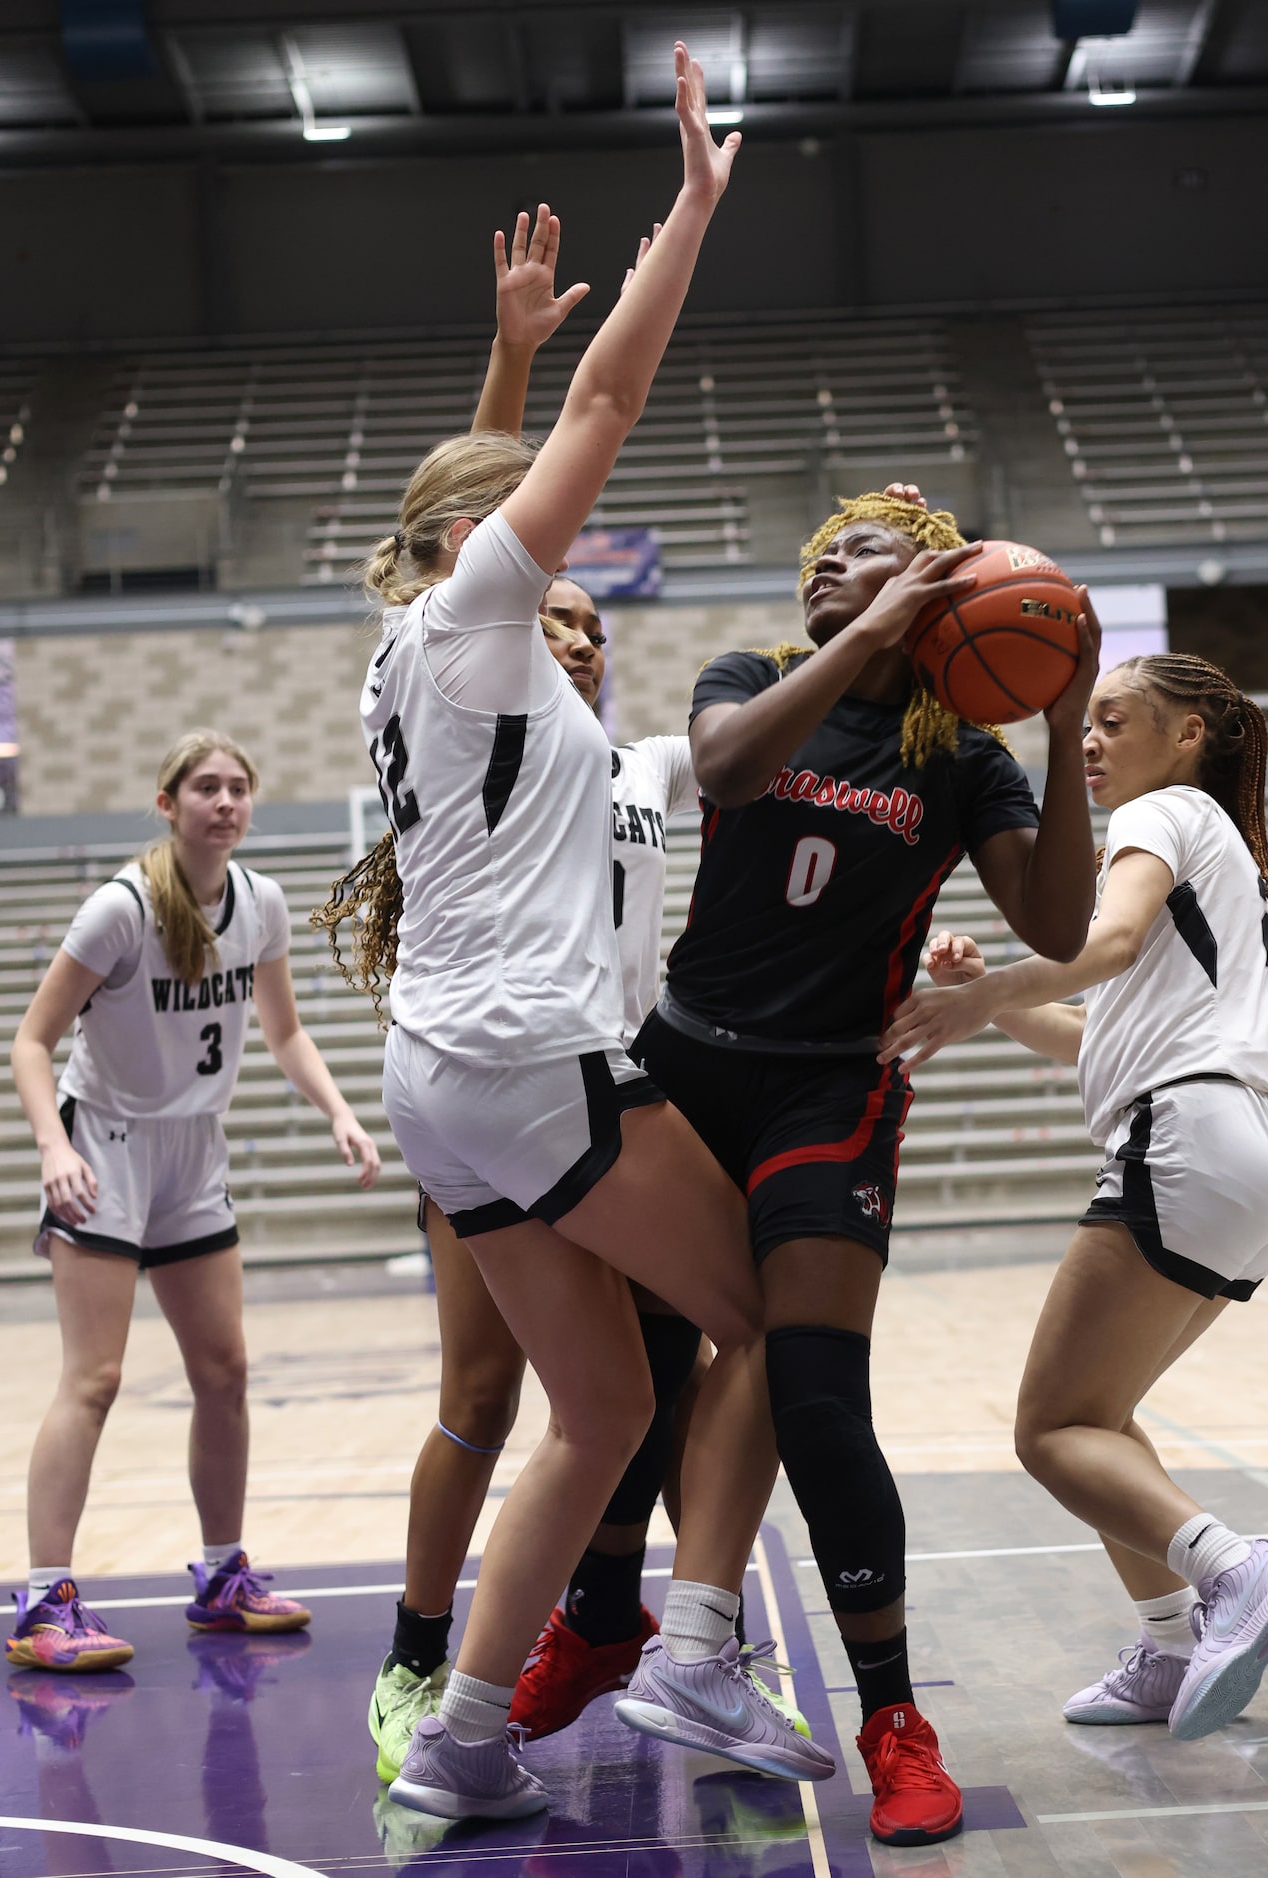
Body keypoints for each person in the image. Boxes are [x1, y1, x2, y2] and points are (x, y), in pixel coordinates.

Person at [346, 47, 834, 1827]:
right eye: (527, 515)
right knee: (778, 1303)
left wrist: (507, 362)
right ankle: (696, 1645)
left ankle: (468, 1733)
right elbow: (599, 420)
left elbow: (457, 492)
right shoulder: (480, 610)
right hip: (526, 1050)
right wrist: (689, 219)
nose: (568, 548)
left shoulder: (410, 642)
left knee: (601, 1401)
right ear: (483, 538)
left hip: (441, 1083)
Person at [598, 488, 1101, 1847]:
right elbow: (722, 768)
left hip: (831, 1081)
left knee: (817, 1394)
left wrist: (1058, 727)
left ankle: (890, 1718)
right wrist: (861, 626)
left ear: (936, 580)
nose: (830, 561)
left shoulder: (960, 752)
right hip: (688, 1061)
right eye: (817, 554)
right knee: (636, 1379)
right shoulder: (754, 680)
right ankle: (601, 1621)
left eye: (865, 549)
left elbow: (1053, 921)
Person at [881, 652, 1268, 1744]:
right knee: (1104, 1419)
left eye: (1112, 719)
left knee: (1047, 1430)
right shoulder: (1205, 841)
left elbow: (1110, 942)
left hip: (1187, 1138)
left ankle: (1237, 1572)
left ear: (1186, 736)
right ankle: (1170, 1648)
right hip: (1255, 1155)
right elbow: (1094, 1035)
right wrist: (984, 1000)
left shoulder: (1164, 815)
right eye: (1080, 723)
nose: (1087, 740)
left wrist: (993, 981)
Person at [6, 730, 382, 1673]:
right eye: (205, 787)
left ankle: (221, 1578)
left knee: (225, 1373)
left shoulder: (259, 902)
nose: (225, 802)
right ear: (168, 803)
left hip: (193, 1152)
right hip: (107, 1147)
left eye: (238, 788)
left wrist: (338, 1110)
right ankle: (45, 1599)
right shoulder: (120, 909)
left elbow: (284, 1030)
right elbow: (30, 1041)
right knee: (94, 1379)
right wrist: (53, 1147)